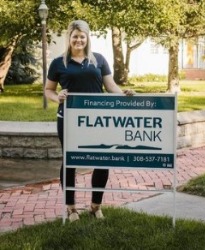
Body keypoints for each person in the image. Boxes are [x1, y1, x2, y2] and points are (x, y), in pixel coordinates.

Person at [45, 20, 135, 222]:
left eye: (82, 36)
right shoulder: (59, 63)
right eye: (75, 36)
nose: (78, 40)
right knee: (70, 162)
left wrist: (123, 94)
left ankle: (96, 206)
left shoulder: (99, 60)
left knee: (102, 160)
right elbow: (48, 90)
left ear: (87, 38)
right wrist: (56, 96)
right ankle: (71, 208)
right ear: (69, 38)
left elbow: (110, 86)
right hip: (68, 119)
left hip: (98, 119)